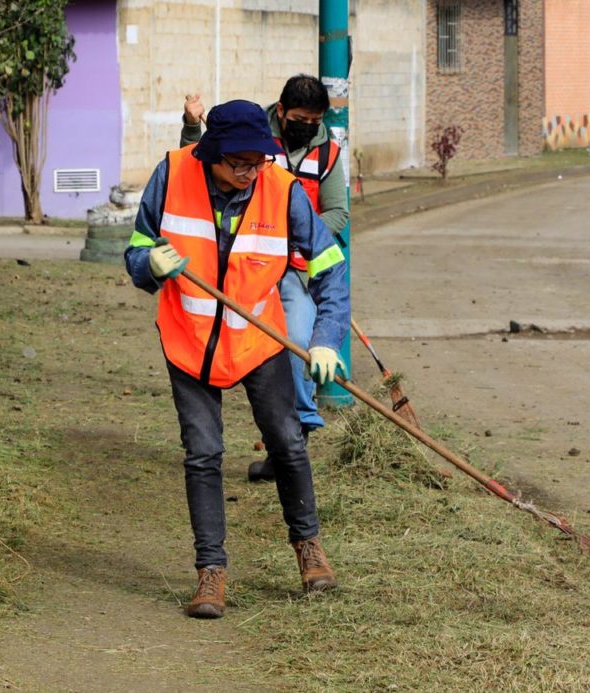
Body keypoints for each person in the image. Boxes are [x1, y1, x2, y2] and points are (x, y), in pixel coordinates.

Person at [125, 100, 350, 618]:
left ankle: (309, 548)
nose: (250, 172)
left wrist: (325, 338)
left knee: (288, 442)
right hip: (190, 339)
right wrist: (149, 264)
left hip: (258, 339)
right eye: (240, 163)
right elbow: (136, 250)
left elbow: (330, 268)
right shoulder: (173, 173)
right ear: (211, 155)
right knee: (203, 453)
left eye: (259, 161)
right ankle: (211, 573)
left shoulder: (282, 189)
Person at [180, 76, 348, 484]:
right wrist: (190, 125)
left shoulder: (328, 154)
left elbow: (338, 215)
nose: (307, 125)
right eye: (299, 118)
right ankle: (247, 441)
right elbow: (196, 164)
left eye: (315, 119)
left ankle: (295, 436)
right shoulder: (253, 132)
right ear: (280, 112)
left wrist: (286, 232)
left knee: (294, 343)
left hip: (290, 269)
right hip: (235, 262)